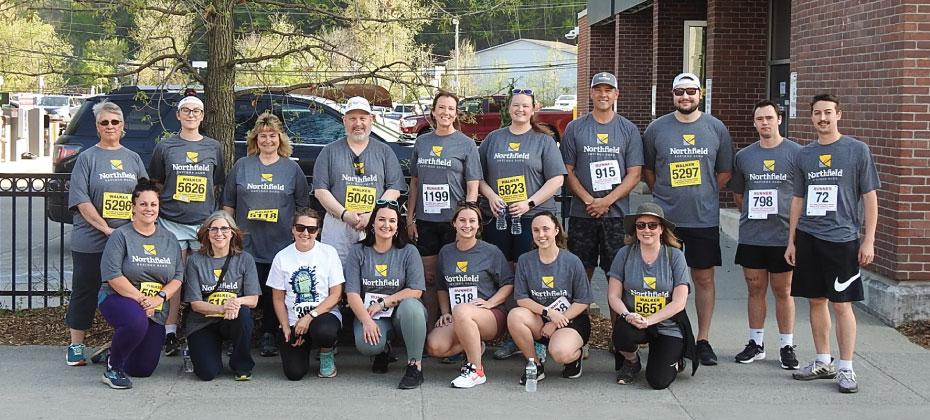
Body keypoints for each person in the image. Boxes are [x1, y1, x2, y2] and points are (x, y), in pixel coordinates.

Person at [785, 94, 880, 394]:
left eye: (828, 112)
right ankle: (823, 360)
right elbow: (798, 199)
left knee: (841, 305)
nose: (822, 118)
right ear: (811, 117)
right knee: (815, 301)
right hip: (809, 237)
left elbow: (870, 197)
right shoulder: (804, 154)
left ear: (839, 114)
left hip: (842, 240)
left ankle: (846, 368)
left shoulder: (856, 150)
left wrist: (869, 239)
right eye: (817, 113)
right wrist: (792, 240)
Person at [642, 72, 734, 366]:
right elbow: (648, 172)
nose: (685, 97)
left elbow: (724, 172)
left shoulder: (716, 128)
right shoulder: (657, 129)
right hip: (666, 220)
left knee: (703, 278)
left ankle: (703, 340)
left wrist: (703, 193)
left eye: (691, 92)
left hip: (703, 218)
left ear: (700, 94)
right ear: (672, 95)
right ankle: (668, 333)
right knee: (664, 281)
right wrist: (667, 195)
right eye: (680, 92)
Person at [479, 89, 566, 361]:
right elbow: (477, 176)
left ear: (533, 108)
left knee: (528, 275)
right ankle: (507, 334)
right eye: (515, 106)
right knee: (503, 274)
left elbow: (557, 180)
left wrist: (529, 203)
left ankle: (533, 336)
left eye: (525, 106)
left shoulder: (544, 140)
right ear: (509, 108)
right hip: (500, 218)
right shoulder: (494, 139)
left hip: (533, 218)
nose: (520, 110)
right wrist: (491, 195)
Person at [65, 100, 148, 366]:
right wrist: (106, 229)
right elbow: (81, 200)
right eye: (104, 122)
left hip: (125, 240)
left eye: (115, 122)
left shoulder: (133, 158)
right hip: (91, 239)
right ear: (97, 127)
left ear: (123, 126)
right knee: (85, 289)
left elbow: (143, 196)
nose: (110, 126)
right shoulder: (87, 158)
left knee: (125, 293)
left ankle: (119, 344)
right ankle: (76, 345)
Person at [223, 112, 310, 357]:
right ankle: (237, 334)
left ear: (280, 139)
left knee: (276, 291)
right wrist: (228, 234)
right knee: (243, 289)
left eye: (273, 135)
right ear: (255, 139)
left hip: (281, 243)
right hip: (246, 243)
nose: (268, 140)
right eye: (263, 136)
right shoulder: (242, 166)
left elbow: (303, 206)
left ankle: (270, 333)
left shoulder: (291, 168)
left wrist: (300, 236)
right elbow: (228, 204)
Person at [149, 94, 225, 356]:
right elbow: (156, 183)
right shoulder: (165, 147)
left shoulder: (214, 147)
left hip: (204, 223)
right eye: (186, 111)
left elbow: (216, 182)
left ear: (203, 116)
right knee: (175, 278)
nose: (191, 115)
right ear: (178, 115)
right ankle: (169, 330)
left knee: (203, 276)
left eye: (196, 111)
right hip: (172, 221)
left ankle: (203, 331)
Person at [728, 100, 801, 369]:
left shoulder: (796, 153)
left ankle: (786, 345)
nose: (765, 123)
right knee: (755, 289)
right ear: (754, 122)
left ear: (779, 119)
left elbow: (801, 195)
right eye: (760, 119)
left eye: (769, 118)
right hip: (752, 235)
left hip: (783, 236)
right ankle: (756, 343)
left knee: (784, 291)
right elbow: (738, 195)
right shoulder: (744, 156)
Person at [98, 179, 183, 389]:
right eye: (143, 204)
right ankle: (113, 368)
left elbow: (178, 277)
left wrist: (159, 298)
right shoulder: (121, 235)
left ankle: (117, 348)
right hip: (118, 297)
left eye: (153, 204)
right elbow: (113, 275)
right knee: (136, 321)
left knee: (142, 369)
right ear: (133, 207)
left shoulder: (170, 238)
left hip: (154, 303)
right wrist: (142, 299)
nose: (149, 209)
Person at [406, 91, 482, 329]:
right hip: (427, 221)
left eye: (451, 109)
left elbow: (473, 186)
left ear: (455, 113)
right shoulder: (422, 142)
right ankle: (430, 329)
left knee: (454, 278)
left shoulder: (467, 144)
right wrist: (410, 218)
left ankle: (456, 329)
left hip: (454, 222)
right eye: (442, 108)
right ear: (433, 111)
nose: (446, 113)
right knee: (429, 278)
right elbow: (415, 183)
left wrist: (467, 220)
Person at [562, 72, 643, 282]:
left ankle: (618, 317)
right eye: (598, 90)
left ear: (617, 94)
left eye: (608, 90)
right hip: (582, 213)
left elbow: (634, 174)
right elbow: (567, 170)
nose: (603, 95)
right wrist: (590, 201)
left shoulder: (629, 129)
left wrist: (606, 201)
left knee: (616, 276)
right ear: (591, 93)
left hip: (616, 215)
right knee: (579, 273)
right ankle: (579, 316)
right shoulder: (575, 128)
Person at [608, 202, 698, 389]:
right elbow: (613, 296)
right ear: (635, 230)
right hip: (634, 320)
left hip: (667, 324)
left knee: (658, 381)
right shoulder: (624, 254)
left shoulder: (675, 256)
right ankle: (632, 361)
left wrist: (650, 321)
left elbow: (679, 302)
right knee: (621, 332)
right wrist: (627, 315)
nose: (646, 230)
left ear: (661, 229)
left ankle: (673, 355)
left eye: (652, 225)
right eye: (641, 225)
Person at [425, 204, 514, 388]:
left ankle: (476, 370)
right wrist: (444, 312)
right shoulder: (446, 252)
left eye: (472, 221)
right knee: (435, 346)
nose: (467, 225)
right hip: (459, 316)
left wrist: (491, 303)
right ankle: (474, 346)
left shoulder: (491, 251)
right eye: (462, 220)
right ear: (454, 223)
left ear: (479, 226)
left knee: (463, 310)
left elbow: (508, 283)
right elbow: (441, 286)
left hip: (489, 315)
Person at [345, 200, 428, 389]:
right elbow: (352, 294)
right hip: (372, 315)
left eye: (392, 221)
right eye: (381, 219)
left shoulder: (409, 251)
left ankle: (415, 367)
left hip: (401, 314)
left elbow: (416, 290)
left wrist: (383, 303)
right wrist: (366, 320)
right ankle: (382, 351)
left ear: (398, 227)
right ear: (372, 224)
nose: (386, 225)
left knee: (411, 306)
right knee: (368, 345)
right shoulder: (358, 252)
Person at [314, 96, 406, 263]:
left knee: (373, 269)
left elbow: (394, 189)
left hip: (374, 223)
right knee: (336, 272)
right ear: (344, 121)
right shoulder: (329, 152)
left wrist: (372, 215)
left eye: (363, 118)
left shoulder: (385, 152)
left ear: (371, 120)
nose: (358, 124)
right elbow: (320, 190)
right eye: (352, 119)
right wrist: (345, 214)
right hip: (338, 223)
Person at [507, 212, 593, 385]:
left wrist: (555, 322)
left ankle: (575, 356)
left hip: (571, 320)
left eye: (545, 229)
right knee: (515, 315)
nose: (541, 235)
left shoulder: (572, 261)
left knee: (561, 353)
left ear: (556, 230)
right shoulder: (525, 260)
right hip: (541, 319)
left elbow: (583, 300)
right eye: (536, 230)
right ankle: (535, 365)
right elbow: (522, 298)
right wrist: (548, 313)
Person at [267, 208, 345, 381]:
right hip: (294, 320)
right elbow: (278, 298)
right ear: (293, 229)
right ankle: (305, 344)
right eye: (300, 227)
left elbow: (336, 294)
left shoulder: (329, 253)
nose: (305, 233)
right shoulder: (282, 257)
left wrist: (309, 317)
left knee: (324, 331)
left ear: (318, 231)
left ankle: (326, 354)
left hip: (323, 315)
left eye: (311, 229)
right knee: (294, 373)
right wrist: (286, 326)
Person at [182, 211, 260, 381]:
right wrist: (223, 307)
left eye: (224, 229)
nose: (219, 233)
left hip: (232, 319)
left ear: (232, 233)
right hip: (202, 322)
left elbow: (253, 300)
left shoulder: (245, 259)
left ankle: (242, 365)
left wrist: (235, 302)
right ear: (206, 234)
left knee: (244, 314)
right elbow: (195, 304)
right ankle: (202, 350)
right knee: (207, 373)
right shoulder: (195, 260)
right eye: (214, 229)